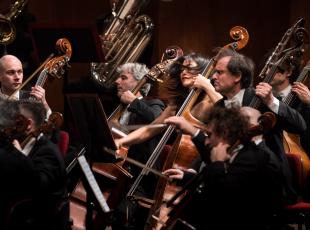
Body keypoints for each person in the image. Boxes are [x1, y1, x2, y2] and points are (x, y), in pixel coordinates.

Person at [112, 53, 221, 229]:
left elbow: (231, 115)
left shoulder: (210, 101)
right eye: (182, 68)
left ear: (202, 71)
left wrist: (208, 87)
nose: (183, 72)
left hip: (198, 172)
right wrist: (122, 142)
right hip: (168, 171)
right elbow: (151, 128)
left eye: (189, 68)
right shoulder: (179, 102)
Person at [209, 47, 306, 204]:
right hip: (235, 177)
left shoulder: (262, 99)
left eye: (219, 72)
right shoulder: (219, 106)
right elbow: (213, 145)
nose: (213, 77)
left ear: (237, 76)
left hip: (266, 180)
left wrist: (271, 101)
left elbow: (299, 126)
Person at [163, 106, 284, 230]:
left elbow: (225, 197)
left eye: (209, 135)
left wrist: (217, 163)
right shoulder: (242, 149)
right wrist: (188, 177)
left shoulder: (258, 158)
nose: (206, 141)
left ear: (225, 132)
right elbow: (227, 178)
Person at [8, 99, 69, 230]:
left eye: (16, 119)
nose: (11, 122)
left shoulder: (49, 153)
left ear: (28, 124)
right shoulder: (19, 138)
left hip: (35, 219)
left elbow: (37, 186)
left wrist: (19, 157)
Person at [269, 59, 310, 156]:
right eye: (269, 67)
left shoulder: (305, 97)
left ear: (288, 72)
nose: (268, 72)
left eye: (274, 68)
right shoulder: (264, 97)